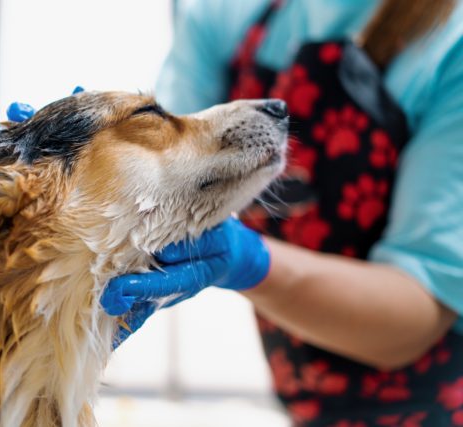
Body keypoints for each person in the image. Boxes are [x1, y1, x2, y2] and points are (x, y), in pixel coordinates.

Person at [97, 0, 463, 426]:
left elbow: (417, 312)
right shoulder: (227, 15)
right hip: (302, 402)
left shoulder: (448, 45)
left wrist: (247, 260)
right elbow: (161, 168)